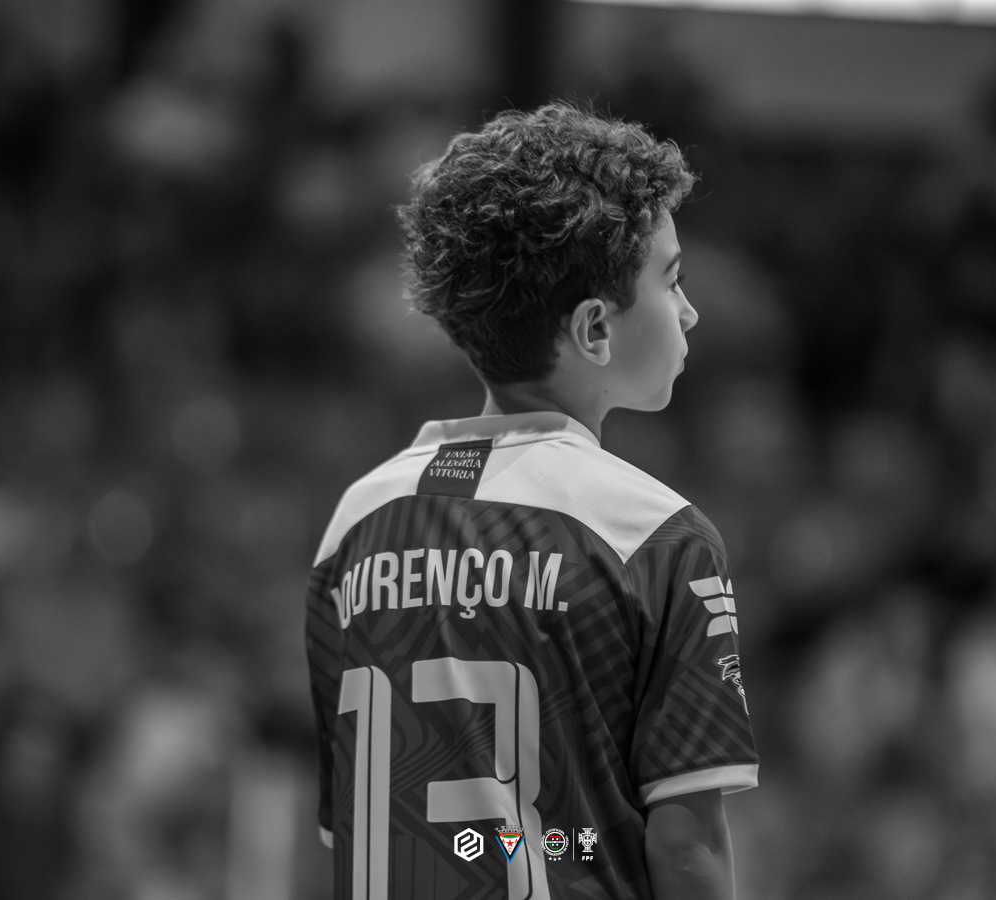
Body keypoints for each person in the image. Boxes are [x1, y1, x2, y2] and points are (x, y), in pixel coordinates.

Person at [306, 101, 758, 900]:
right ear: (594, 330)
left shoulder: (355, 522)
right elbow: (687, 847)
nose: (689, 311)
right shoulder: (656, 535)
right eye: (672, 280)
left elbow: (350, 828)